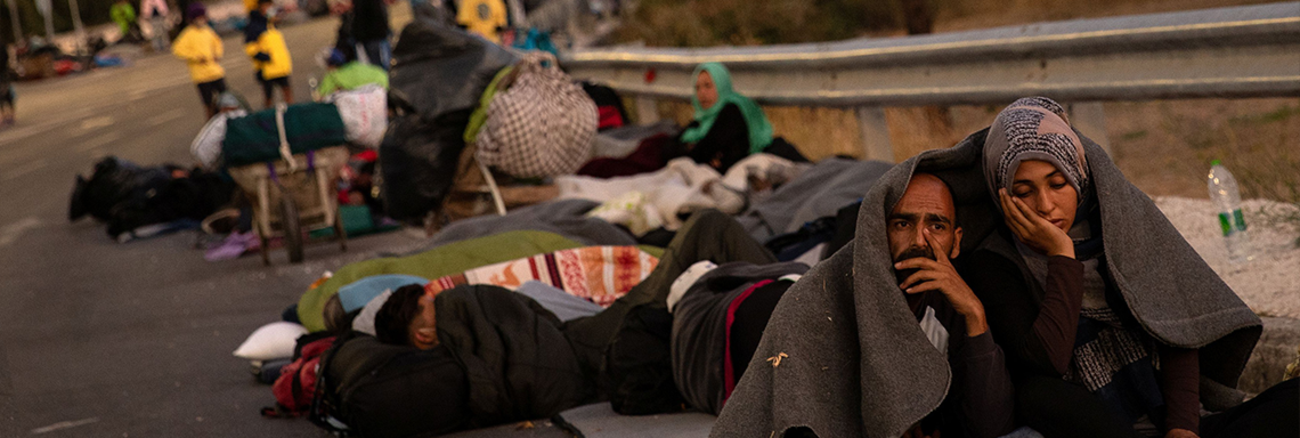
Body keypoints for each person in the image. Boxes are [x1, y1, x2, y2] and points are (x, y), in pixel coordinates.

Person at [961, 97, 1296, 438]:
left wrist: (1182, 429)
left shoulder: (1121, 225)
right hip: (1093, 427)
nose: (1045, 205)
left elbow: (1174, 329)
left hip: (1168, 419)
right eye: (1023, 191)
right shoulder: (994, 261)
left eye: (1058, 184)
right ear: (1001, 193)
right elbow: (1049, 360)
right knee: (1039, 393)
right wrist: (1062, 256)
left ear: (1078, 175)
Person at [674, 62, 805, 173]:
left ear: (721, 86)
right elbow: (670, 150)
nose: (702, 93)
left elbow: (701, 153)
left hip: (779, 159)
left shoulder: (733, 111)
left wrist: (695, 151)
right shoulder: (702, 120)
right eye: (697, 88)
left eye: (708, 86)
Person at [172, 3, 227, 119]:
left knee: (226, 98)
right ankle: (211, 122)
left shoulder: (208, 31)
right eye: (198, 18)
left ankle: (228, 120)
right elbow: (178, 50)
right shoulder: (188, 34)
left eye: (203, 17)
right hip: (201, 76)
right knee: (208, 103)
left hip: (215, 71)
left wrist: (217, 54)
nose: (201, 20)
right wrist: (196, 57)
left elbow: (217, 43)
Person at [244, 0, 294, 108]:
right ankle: (266, 121)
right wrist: (266, 58)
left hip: (281, 67)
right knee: (268, 98)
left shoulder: (271, 23)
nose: (270, 8)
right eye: (267, 5)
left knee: (288, 93)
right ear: (260, 7)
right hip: (267, 70)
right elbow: (250, 48)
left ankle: (290, 116)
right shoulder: (254, 26)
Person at [316, 49, 388, 97]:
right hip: (380, 100)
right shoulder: (365, 68)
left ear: (330, 66)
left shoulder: (333, 76)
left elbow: (321, 95)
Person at [350, 0, 391, 71]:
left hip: (371, 35)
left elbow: (360, 18)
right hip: (374, 34)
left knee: (376, 63)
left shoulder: (363, 3)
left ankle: (382, 77)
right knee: (378, 61)